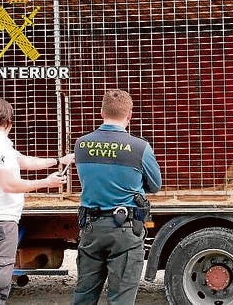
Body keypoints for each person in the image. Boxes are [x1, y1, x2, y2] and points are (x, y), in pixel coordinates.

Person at [0, 97, 74, 305]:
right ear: (8, 120)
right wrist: (47, 183)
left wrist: (58, 161)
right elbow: (9, 184)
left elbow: (24, 161)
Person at [72, 89, 162, 305]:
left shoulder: (81, 145)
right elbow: (155, 185)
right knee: (121, 298)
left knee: (83, 296)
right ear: (129, 115)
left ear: (101, 112)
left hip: (91, 229)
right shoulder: (140, 148)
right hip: (126, 231)